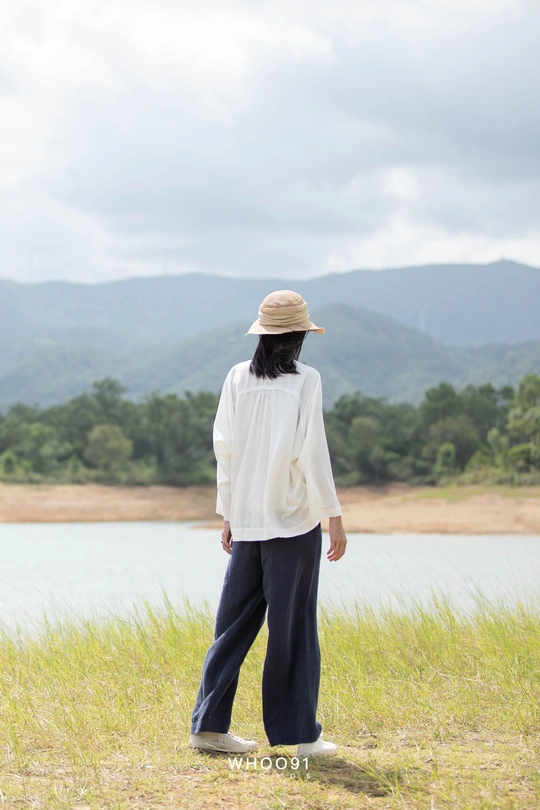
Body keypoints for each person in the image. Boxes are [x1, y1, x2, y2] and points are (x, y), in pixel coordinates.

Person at [189, 289, 347, 757]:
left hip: (247, 521)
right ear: (299, 336)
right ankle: (301, 737)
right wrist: (334, 517)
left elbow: (224, 449)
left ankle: (207, 727)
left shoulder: (236, 377)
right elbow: (312, 452)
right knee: (292, 629)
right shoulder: (306, 380)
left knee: (231, 626)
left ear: (262, 334)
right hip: (293, 523)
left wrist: (228, 514)